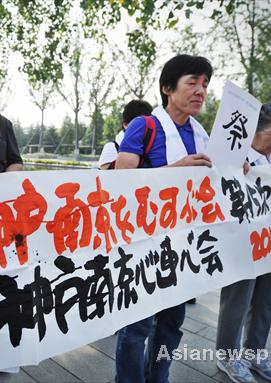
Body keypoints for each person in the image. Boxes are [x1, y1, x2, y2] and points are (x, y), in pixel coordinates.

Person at [114, 54, 214, 383]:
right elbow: (121, 178)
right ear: (168, 88)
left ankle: (159, 377)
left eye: (205, 84)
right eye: (192, 82)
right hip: (144, 246)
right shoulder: (146, 126)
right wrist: (175, 172)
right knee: (137, 326)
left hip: (184, 247)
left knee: (172, 323)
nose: (201, 90)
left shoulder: (203, 136)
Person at [216, 103, 271, 383]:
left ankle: (255, 352)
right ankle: (228, 357)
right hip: (242, 243)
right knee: (238, 300)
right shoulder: (237, 158)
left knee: (265, 299)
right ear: (253, 132)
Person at [99, 99, 152, 170]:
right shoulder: (111, 147)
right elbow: (105, 176)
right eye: (137, 124)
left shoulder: (155, 146)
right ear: (125, 124)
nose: (142, 128)